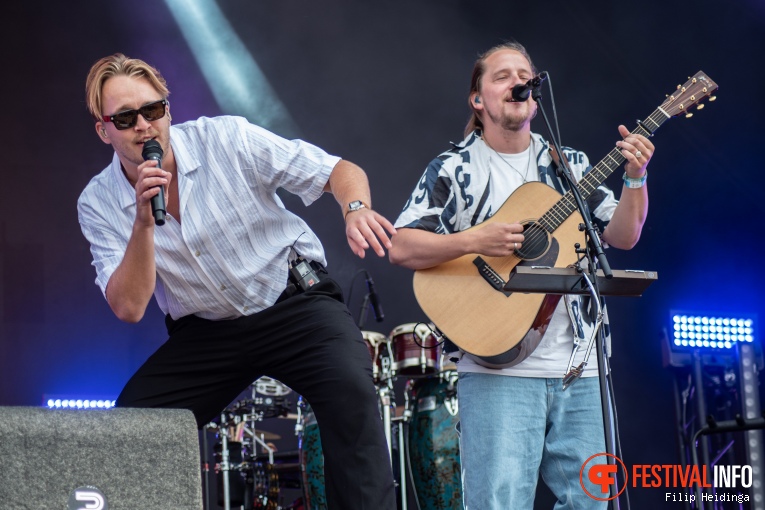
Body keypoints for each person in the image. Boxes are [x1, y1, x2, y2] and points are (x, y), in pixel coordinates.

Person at [78, 53, 397, 510]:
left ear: (168, 109)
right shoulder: (97, 201)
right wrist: (143, 226)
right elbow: (129, 308)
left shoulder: (226, 138)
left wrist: (356, 210)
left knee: (353, 397)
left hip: (292, 302)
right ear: (104, 130)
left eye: (153, 110)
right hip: (208, 331)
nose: (144, 127)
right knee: (132, 426)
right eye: (126, 119)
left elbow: (337, 171)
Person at [388, 41, 653, 509]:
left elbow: (624, 235)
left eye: (524, 74)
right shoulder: (455, 168)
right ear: (478, 99)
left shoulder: (568, 165)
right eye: (502, 75)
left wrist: (636, 177)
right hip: (496, 366)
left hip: (583, 366)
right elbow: (402, 244)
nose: (517, 81)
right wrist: (475, 240)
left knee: (593, 502)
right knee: (498, 503)